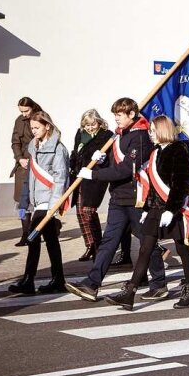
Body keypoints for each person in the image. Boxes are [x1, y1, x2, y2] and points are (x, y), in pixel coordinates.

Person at [66, 97, 166, 302]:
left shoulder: (141, 138)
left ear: (131, 114)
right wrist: (100, 163)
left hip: (136, 198)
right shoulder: (119, 136)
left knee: (146, 242)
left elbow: (124, 170)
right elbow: (113, 165)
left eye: (119, 115)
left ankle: (158, 283)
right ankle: (92, 284)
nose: (116, 119)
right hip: (118, 197)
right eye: (115, 115)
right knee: (109, 241)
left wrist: (94, 175)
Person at [105, 116, 189, 310]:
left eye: (153, 131)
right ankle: (130, 292)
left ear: (163, 130)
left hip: (175, 209)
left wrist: (171, 210)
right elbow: (152, 187)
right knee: (145, 249)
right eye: (150, 131)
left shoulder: (179, 150)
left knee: (182, 249)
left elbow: (180, 184)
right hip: (156, 209)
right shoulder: (155, 152)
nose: (151, 134)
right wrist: (147, 209)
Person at [9, 111, 69, 295]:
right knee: (51, 241)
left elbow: (60, 178)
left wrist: (53, 206)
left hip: (48, 202)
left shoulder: (58, 149)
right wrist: (25, 202)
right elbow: (30, 177)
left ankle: (29, 280)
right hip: (37, 201)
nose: (34, 131)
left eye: (37, 127)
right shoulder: (34, 146)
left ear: (47, 126)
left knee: (33, 238)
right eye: (32, 128)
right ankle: (58, 279)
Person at [69, 109, 114, 262]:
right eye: (86, 125)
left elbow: (109, 158)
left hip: (95, 178)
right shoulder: (80, 134)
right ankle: (89, 245)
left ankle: (98, 246)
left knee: (88, 210)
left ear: (99, 122)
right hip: (80, 176)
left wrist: (102, 160)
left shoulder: (106, 135)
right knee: (80, 212)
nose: (89, 127)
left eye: (92, 124)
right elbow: (76, 152)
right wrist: (72, 165)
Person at [11, 97, 42, 247]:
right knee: (22, 203)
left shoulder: (41, 117)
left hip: (38, 164)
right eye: (21, 111)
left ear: (32, 107)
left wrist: (34, 159)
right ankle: (25, 233)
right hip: (22, 166)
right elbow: (15, 142)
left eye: (26, 111)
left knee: (38, 202)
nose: (24, 114)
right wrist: (19, 159)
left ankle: (46, 228)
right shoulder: (19, 120)